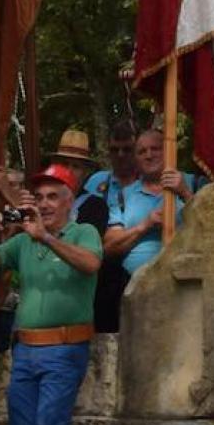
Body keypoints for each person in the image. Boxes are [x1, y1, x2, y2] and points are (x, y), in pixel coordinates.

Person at [0, 163, 102, 425]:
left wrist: (46, 237)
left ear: (69, 201)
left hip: (64, 349)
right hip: (25, 352)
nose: (45, 203)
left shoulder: (83, 232)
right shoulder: (22, 240)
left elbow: (91, 263)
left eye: (53, 197)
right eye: (40, 197)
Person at [103, 127, 198, 285]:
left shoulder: (194, 184)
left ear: (169, 150)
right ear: (135, 159)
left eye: (155, 149)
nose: (149, 155)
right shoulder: (122, 196)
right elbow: (109, 248)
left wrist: (185, 193)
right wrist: (143, 226)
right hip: (134, 287)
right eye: (141, 152)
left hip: (186, 284)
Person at [86, 122, 141, 332]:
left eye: (127, 149)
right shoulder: (96, 182)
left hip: (139, 270)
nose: (120, 155)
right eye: (114, 149)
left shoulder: (151, 184)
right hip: (101, 274)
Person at [47, 130, 109, 233]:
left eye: (76, 166)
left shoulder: (96, 206)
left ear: (85, 172)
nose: (69, 171)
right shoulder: (42, 199)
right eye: (65, 164)